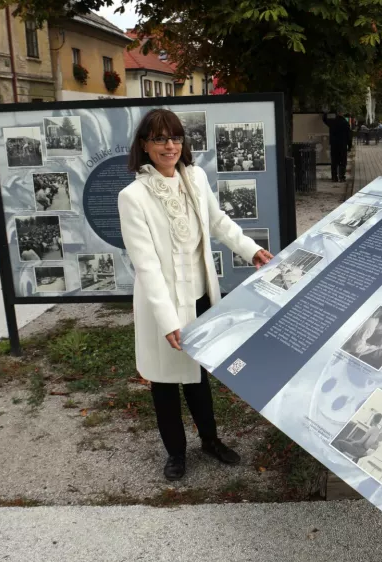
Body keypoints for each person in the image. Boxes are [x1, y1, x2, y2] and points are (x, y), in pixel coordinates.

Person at [118, 109, 274, 481]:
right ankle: (175, 452)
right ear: (144, 145)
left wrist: (250, 249)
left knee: (198, 375)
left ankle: (210, 440)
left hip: (200, 296)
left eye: (175, 137)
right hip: (163, 305)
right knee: (165, 382)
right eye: (159, 139)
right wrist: (168, 320)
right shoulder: (133, 196)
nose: (169, 146)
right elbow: (147, 265)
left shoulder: (196, 177)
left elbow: (218, 222)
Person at [322, 111, 352, 182]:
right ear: (343, 115)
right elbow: (349, 136)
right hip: (343, 145)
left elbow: (324, 119)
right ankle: (342, 177)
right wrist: (349, 146)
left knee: (334, 162)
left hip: (334, 145)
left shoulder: (332, 122)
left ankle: (334, 177)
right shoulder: (346, 123)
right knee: (343, 161)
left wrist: (325, 113)